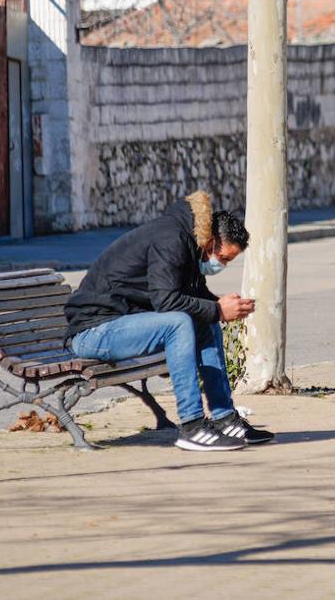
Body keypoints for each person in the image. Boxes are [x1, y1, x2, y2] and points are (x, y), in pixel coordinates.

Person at [64, 191, 274, 451]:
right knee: (179, 322)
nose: (223, 265)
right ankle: (192, 426)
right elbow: (166, 301)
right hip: (94, 332)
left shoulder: (188, 242)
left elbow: (191, 297)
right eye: (224, 259)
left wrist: (219, 305)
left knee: (204, 320)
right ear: (210, 242)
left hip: (121, 324)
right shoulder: (171, 240)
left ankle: (223, 417)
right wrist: (218, 309)